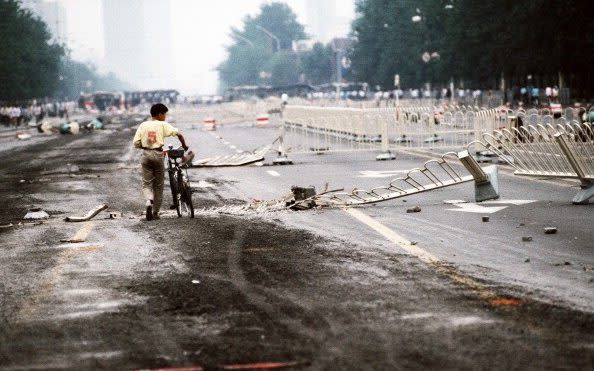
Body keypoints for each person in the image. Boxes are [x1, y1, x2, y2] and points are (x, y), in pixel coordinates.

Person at [133, 103, 188, 221]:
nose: (165, 117)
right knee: (158, 185)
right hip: (158, 155)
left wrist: (147, 145)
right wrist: (184, 145)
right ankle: (155, 213)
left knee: (147, 183)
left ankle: (148, 201)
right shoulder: (162, 124)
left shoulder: (143, 125)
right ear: (159, 114)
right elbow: (179, 135)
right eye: (165, 114)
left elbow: (136, 143)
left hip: (145, 155)